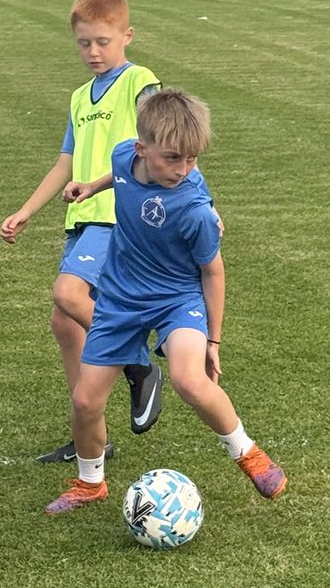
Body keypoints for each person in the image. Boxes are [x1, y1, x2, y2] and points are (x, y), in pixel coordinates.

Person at [44, 88, 287, 516]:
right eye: (173, 158)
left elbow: (213, 272)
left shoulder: (194, 209)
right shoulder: (124, 156)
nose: (183, 169)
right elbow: (119, 174)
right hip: (120, 296)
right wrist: (90, 186)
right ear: (142, 148)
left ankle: (248, 454)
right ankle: (89, 483)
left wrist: (214, 342)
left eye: (192, 159)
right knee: (85, 401)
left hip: (178, 297)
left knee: (190, 381)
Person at [0, 0, 164, 462]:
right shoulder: (79, 97)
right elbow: (64, 163)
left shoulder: (141, 83)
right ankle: (90, 437)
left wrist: (99, 184)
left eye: (103, 42)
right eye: (84, 43)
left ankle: (138, 365)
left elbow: (158, 146)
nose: (93, 52)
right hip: (82, 219)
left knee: (69, 295)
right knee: (65, 324)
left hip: (119, 216)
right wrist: (27, 210)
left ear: (127, 36)